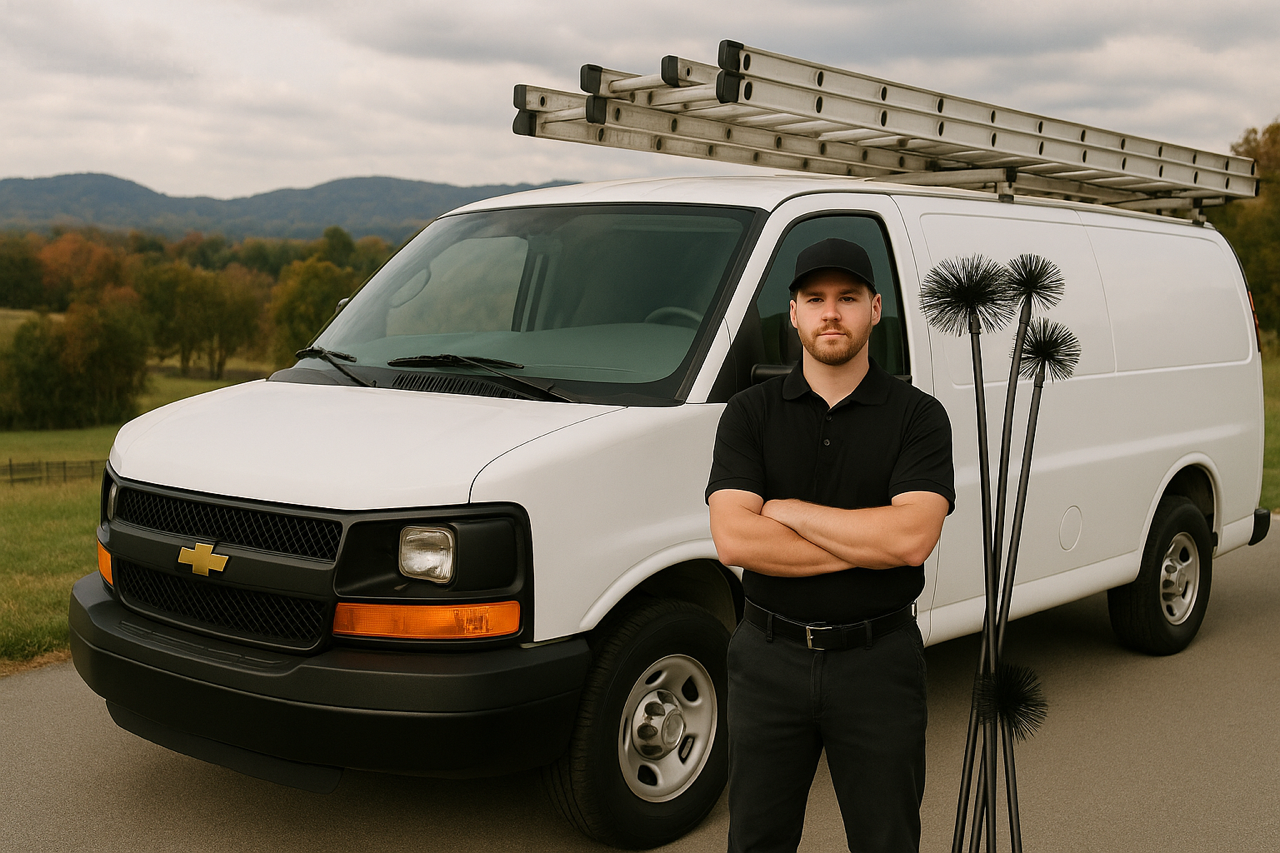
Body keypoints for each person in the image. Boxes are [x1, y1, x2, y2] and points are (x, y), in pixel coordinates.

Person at [706, 237, 955, 853]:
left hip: (879, 662)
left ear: (875, 309)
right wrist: (867, 539)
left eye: (847, 297)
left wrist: (788, 512)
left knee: (886, 840)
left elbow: (911, 540)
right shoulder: (749, 413)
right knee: (757, 841)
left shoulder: (919, 417)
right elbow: (734, 538)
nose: (831, 313)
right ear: (792, 314)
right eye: (814, 298)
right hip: (768, 659)